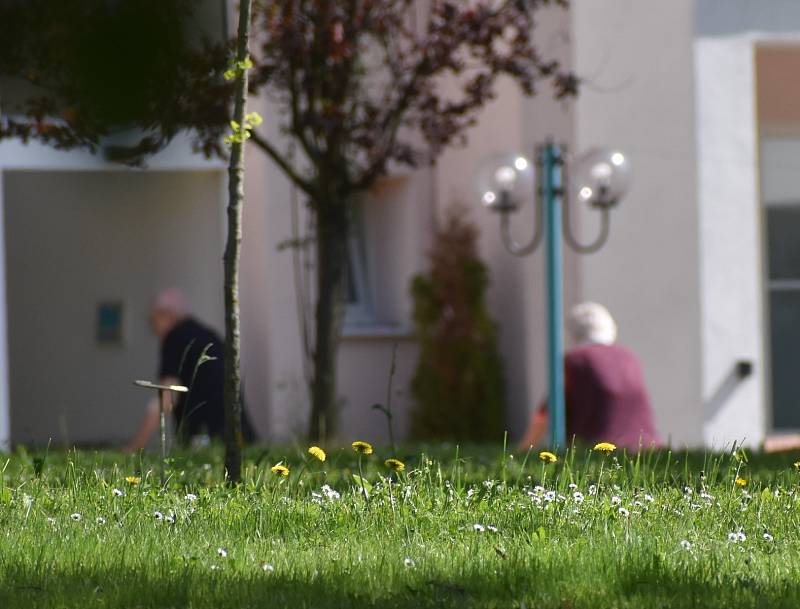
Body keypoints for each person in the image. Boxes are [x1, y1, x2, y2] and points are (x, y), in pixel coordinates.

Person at [517, 302, 661, 452]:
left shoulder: (574, 360)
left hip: (599, 450)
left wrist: (523, 450)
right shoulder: (629, 358)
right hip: (648, 448)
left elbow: (546, 412)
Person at [124, 288, 253, 452]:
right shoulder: (208, 335)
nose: (152, 328)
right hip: (239, 434)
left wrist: (135, 446)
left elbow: (168, 394)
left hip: (207, 438)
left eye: (153, 319)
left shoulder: (175, 337)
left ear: (166, 315)